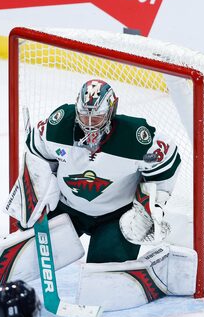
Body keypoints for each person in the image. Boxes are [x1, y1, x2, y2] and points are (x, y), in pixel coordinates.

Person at [19, 78, 182, 263]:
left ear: (111, 111)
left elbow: (166, 162)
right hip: (66, 208)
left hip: (116, 216)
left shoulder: (135, 139)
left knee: (103, 271)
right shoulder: (59, 125)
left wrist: (153, 203)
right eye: (84, 116)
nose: (89, 124)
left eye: (96, 117)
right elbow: (36, 153)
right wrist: (38, 192)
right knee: (29, 255)